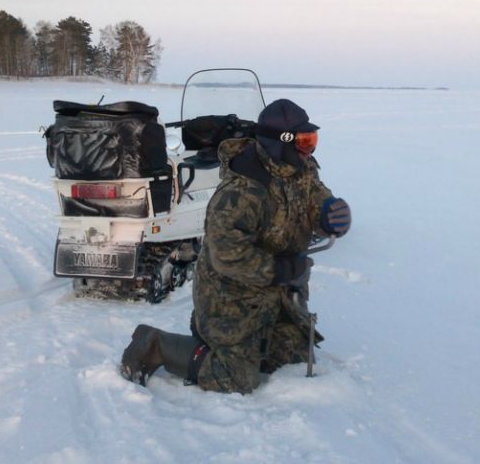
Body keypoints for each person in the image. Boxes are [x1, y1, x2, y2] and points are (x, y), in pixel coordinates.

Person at [120, 99, 351, 393]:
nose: (310, 150)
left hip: (279, 293)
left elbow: (315, 199)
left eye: (312, 141)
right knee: (237, 378)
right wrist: (282, 270)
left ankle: (235, 344)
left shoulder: (301, 169)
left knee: (292, 357)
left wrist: (328, 214)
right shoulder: (240, 192)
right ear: (281, 143)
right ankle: (156, 345)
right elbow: (227, 257)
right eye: (304, 142)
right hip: (230, 297)